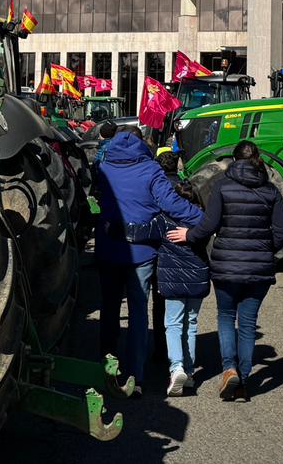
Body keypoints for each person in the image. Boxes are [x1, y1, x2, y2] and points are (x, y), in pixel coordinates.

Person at [173, 139, 283, 401]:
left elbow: (209, 225)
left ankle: (229, 369)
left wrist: (188, 235)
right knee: (247, 324)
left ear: (234, 161)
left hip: (226, 266)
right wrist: (265, 249)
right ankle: (243, 381)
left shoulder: (223, 187)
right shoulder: (271, 191)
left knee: (226, 317)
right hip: (259, 268)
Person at [94, 128, 202, 390]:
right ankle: (135, 375)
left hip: (109, 247)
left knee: (109, 310)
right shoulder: (151, 170)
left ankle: (107, 366)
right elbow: (172, 204)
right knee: (138, 313)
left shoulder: (103, 167)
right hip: (141, 251)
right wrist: (202, 219)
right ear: (143, 144)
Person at [127, 163, 208, 396]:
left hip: (172, 279)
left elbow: (137, 232)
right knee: (190, 324)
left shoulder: (163, 221)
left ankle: (177, 368)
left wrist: (114, 226)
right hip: (198, 278)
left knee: (172, 324)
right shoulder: (202, 221)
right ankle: (190, 372)